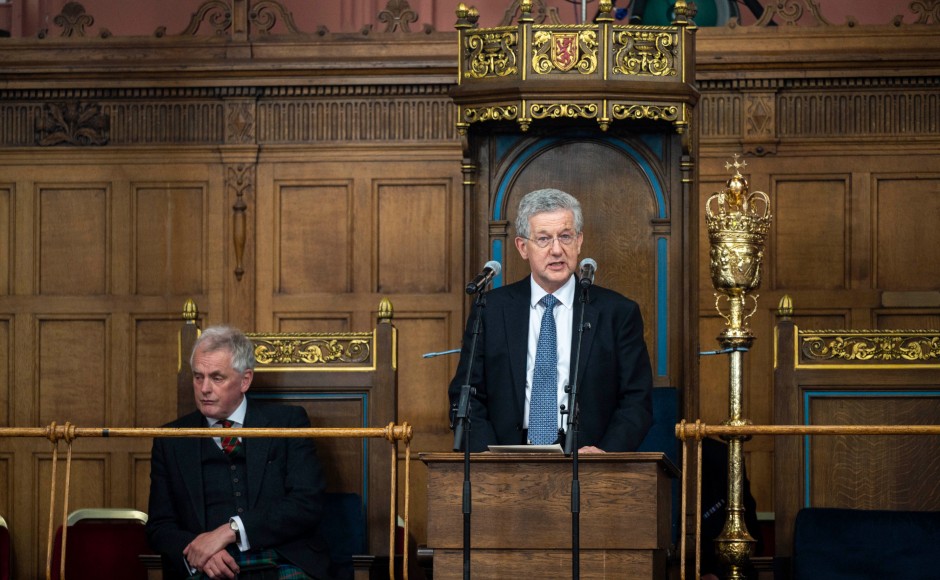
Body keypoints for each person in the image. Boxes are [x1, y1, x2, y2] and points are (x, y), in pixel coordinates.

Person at [448, 188, 654, 453]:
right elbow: (467, 395)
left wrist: (606, 455)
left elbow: (637, 400)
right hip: (504, 462)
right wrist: (488, 458)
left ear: (579, 242)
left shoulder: (617, 313)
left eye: (565, 237)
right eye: (544, 239)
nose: (557, 250)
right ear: (523, 247)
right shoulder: (491, 310)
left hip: (588, 461)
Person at [147, 326, 333, 580]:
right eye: (198, 377)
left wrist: (231, 530)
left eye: (217, 377)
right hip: (207, 570)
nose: (204, 389)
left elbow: (306, 503)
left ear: (245, 380)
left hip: (282, 561)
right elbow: (159, 527)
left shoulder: (288, 422)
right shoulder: (171, 439)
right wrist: (199, 550)